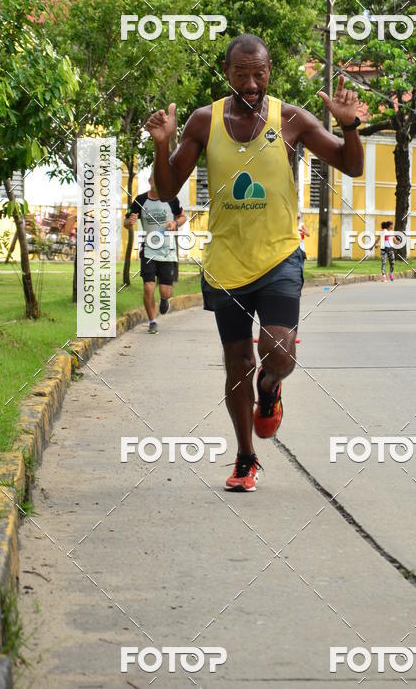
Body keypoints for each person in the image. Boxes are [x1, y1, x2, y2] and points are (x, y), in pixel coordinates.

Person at [146, 33, 363, 491]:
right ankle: (246, 456)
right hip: (226, 262)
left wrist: (349, 126)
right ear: (227, 73)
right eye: (241, 73)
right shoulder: (204, 122)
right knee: (237, 360)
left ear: (269, 73)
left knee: (278, 352)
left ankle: (271, 388)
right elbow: (166, 191)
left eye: (258, 73)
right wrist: (161, 146)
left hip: (280, 254)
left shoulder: (291, 120)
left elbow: (351, 165)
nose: (250, 82)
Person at [124, 172, 186, 334]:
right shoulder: (141, 200)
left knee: (165, 291)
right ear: (150, 181)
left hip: (168, 251)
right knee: (148, 286)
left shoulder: (172, 199)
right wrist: (129, 222)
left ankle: (165, 300)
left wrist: (175, 223)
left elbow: (182, 217)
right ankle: (152, 321)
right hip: (148, 249)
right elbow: (127, 220)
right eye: (155, 180)